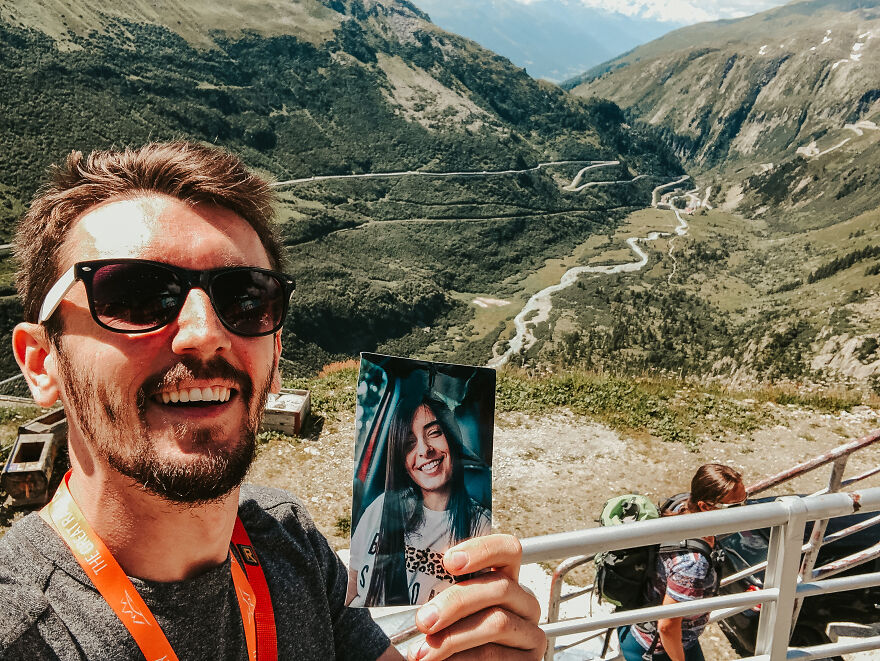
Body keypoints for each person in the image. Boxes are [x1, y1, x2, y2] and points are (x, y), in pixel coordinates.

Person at [0, 142, 547, 661]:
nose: (204, 333)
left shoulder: (289, 540)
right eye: (136, 295)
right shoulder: (23, 629)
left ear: (275, 353)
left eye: (244, 299)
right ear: (41, 361)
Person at [349, 395, 491, 607]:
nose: (425, 450)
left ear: (452, 438)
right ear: (402, 460)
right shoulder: (381, 507)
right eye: (409, 444)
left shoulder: (480, 526)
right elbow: (352, 584)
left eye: (434, 433)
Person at [618, 463, 747, 661]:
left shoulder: (681, 506)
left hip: (661, 633)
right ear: (705, 506)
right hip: (656, 648)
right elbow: (667, 626)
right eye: (735, 506)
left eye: (745, 500)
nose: (744, 511)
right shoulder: (692, 564)